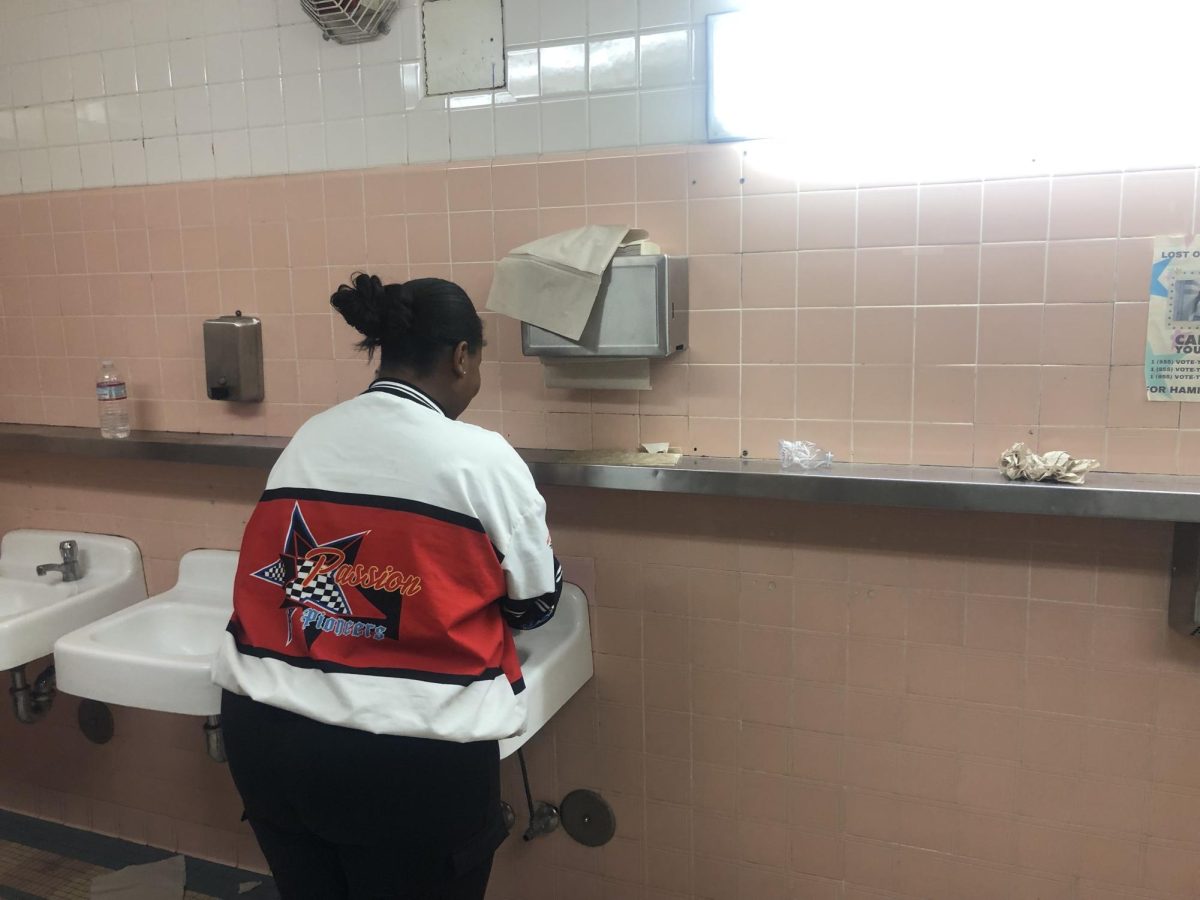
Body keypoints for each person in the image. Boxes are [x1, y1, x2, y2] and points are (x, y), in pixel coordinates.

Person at [212, 273, 563, 900]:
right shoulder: (479, 456)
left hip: (267, 739)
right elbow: (535, 605)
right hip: (406, 764)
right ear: (462, 356)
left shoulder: (311, 436)